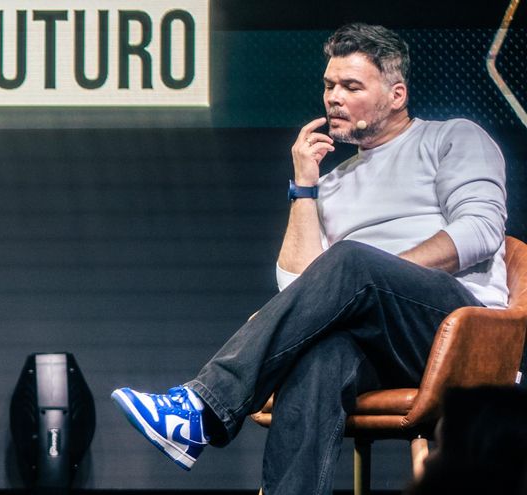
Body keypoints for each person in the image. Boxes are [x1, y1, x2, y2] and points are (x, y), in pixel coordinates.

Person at [111, 23, 507, 495]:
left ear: (397, 94)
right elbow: (300, 287)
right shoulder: (333, 183)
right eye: (328, 85)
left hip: (457, 326)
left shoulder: (451, 138)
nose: (333, 98)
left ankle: (202, 406)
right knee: (320, 356)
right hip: (378, 340)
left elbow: (480, 231)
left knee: (352, 263)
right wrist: (305, 186)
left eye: (351, 86)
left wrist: (380, 275)